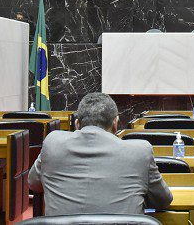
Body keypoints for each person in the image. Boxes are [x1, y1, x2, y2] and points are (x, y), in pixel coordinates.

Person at [28, 92, 173, 216]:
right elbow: (163, 200)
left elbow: (33, 183)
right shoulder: (141, 150)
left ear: (77, 124)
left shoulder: (53, 142)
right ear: (116, 124)